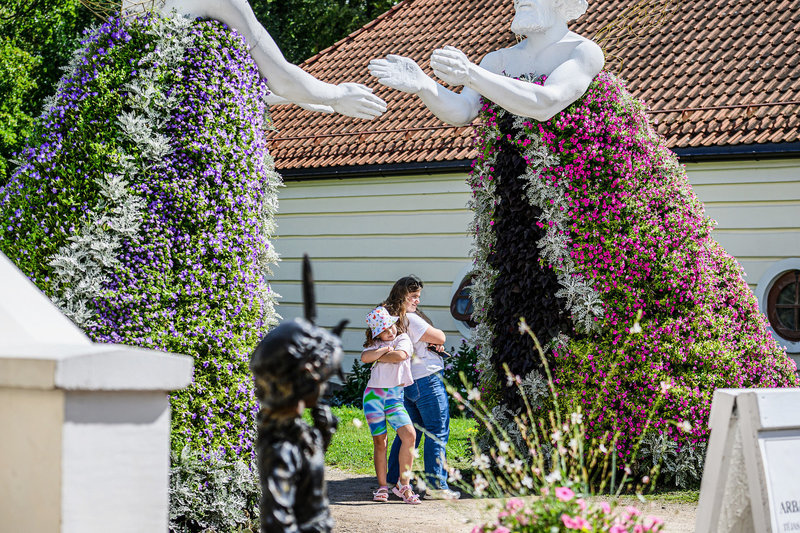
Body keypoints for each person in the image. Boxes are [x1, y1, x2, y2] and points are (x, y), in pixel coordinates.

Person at [128, 0, 387, 119]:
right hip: (195, 150)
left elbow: (198, 84)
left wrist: (297, 97)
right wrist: (337, 93)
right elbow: (282, 78)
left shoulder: (131, 5)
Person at [368, 0, 602, 124]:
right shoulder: (497, 60)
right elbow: (464, 111)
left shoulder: (582, 51)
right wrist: (424, 85)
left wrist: (470, 73)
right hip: (509, 189)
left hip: (569, 195)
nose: (518, 1)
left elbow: (545, 104)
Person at [383, 275, 460, 500]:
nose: (417, 301)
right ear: (402, 296)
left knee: (408, 432)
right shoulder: (411, 319)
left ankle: (392, 480)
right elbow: (440, 335)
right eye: (413, 296)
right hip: (427, 379)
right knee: (437, 430)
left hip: (409, 381)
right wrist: (436, 340)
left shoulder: (393, 319)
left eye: (418, 297)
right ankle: (436, 485)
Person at [360, 306, 421, 504]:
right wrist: (385, 350)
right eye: (385, 329)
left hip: (394, 398)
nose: (391, 331)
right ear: (377, 332)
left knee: (409, 435)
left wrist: (378, 355)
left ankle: (403, 485)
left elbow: (400, 356)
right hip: (373, 397)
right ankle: (382, 486)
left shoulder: (402, 339)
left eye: (391, 326)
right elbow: (364, 358)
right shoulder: (375, 344)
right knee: (380, 442)